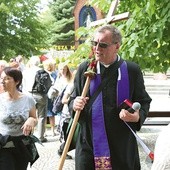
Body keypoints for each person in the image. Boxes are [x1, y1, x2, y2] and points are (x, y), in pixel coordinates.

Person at [69, 25, 152, 170]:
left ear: (117, 46)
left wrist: (138, 116)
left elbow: (143, 101)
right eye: (94, 43)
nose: (97, 48)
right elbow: (73, 99)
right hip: (89, 144)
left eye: (103, 45)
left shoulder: (131, 70)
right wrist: (74, 104)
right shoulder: (85, 68)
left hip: (121, 146)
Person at [0, 67, 38, 170]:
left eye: (7, 78)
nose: (2, 81)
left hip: (22, 145)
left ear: (17, 81)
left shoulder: (28, 99)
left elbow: (34, 118)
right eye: (1, 78)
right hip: (3, 146)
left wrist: (31, 120)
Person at [22, 56, 49, 142]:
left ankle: (29, 134)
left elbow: (23, 85)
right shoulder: (42, 71)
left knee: (29, 116)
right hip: (41, 95)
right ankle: (41, 136)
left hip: (28, 95)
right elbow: (50, 83)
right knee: (41, 116)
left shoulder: (25, 72)